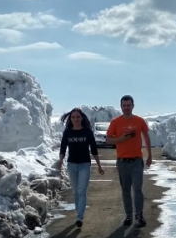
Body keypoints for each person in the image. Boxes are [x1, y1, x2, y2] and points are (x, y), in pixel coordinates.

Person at [106, 95, 152, 227]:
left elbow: (147, 137)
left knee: (137, 189)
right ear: (121, 106)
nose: (126, 108)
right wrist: (120, 139)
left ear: (133, 106)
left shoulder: (139, 121)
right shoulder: (115, 122)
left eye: (129, 105)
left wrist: (149, 155)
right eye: (124, 105)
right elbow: (108, 140)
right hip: (122, 161)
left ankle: (139, 214)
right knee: (125, 189)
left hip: (136, 160)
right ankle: (128, 216)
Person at [57, 108, 104, 228]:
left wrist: (99, 165)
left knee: (81, 190)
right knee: (75, 191)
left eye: (78, 117)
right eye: (73, 117)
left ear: (82, 118)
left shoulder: (87, 132)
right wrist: (61, 160)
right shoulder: (67, 132)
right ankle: (79, 213)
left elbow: (94, 149)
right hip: (71, 165)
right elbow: (63, 148)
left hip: (84, 165)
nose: (76, 119)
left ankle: (79, 217)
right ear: (70, 119)